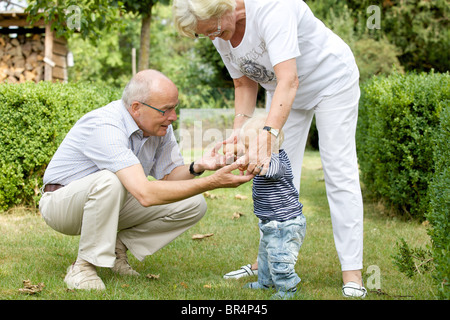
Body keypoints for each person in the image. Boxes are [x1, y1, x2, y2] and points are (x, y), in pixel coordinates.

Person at [172, 0, 367, 297]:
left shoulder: (272, 7)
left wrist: (268, 133)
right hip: (284, 93)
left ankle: (352, 273)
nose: (214, 37)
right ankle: (268, 263)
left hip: (330, 82)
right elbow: (243, 83)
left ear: (223, 7)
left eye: (214, 29)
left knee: (338, 170)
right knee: (272, 174)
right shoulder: (217, 29)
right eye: (205, 35)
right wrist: (239, 134)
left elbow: (290, 77)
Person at [39, 69, 253, 290]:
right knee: (109, 180)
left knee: (193, 204)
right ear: (136, 108)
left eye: (175, 108)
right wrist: (213, 182)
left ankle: (117, 249)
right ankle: (82, 267)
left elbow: (169, 178)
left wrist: (198, 166)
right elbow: (145, 193)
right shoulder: (105, 125)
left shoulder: (159, 127)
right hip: (62, 205)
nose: (173, 117)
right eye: (166, 110)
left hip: (111, 200)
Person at [238, 114, 306, 300]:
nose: (245, 152)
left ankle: (288, 288)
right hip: (271, 223)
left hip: (285, 224)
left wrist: (256, 166)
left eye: (247, 148)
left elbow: (271, 171)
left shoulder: (277, 161)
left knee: (280, 258)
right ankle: (265, 282)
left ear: (264, 147)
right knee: (265, 256)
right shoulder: (264, 160)